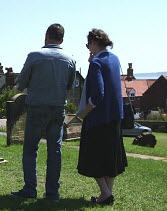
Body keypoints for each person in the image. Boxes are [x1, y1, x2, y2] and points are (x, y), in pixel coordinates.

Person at [11, 23, 76, 202]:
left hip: (37, 107)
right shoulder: (70, 59)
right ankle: (53, 193)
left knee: (30, 149)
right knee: (55, 150)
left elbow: (21, 83)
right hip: (58, 109)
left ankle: (30, 189)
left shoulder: (34, 56)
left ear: (46, 36)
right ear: (62, 39)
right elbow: (70, 85)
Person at [76, 28, 127, 205]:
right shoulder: (114, 59)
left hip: (98, 119)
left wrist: (85, 112)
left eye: (88, 44)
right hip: (115, 117)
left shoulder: (96, 63)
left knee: (93, 157)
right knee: (110, 159)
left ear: (93, 42)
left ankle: (106, 192)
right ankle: (106, 195)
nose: (88, 48)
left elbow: (97, 94)